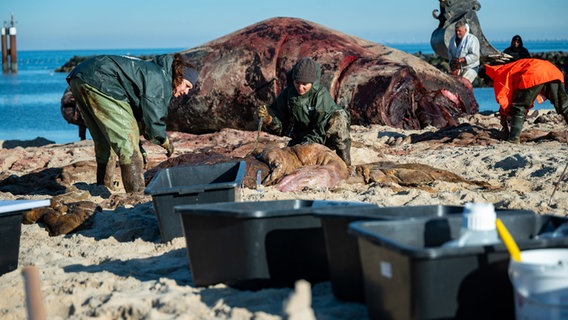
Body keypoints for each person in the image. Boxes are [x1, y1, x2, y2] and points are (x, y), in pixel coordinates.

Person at [67, 53, 198, 193]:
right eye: (187, 85)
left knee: (104, 140)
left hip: (80, 76)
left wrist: (140, 145)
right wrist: (164, 141)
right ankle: (136, 194)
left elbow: (135, 119)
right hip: (102, 81)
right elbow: (152, 121)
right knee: (128, 148)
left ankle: (103, 186)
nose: (186, 92)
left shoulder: (151, 70)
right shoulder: (161, 80)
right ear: (178, 76)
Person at [257, 57, 352, 166]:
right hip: (300, 137)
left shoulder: (320, 95)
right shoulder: (288, 94)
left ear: (312, 82)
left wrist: (306, 145)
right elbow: (282, 125)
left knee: (339, 117)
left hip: (323, 137)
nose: (300, 88)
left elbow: (320, 130)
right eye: (297, 83)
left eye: (305, 84)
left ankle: (345, 163)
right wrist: (269, 119)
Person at [484, 58, 568, 143]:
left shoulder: (499, 74)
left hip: (534, 73)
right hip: (553, 71)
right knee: (564, 105)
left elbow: (504, 99)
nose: (492, 86)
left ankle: (513, 139)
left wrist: (505, 116)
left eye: (490, 85)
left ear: (489, 79)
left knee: (519, 107)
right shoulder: (508, 68)